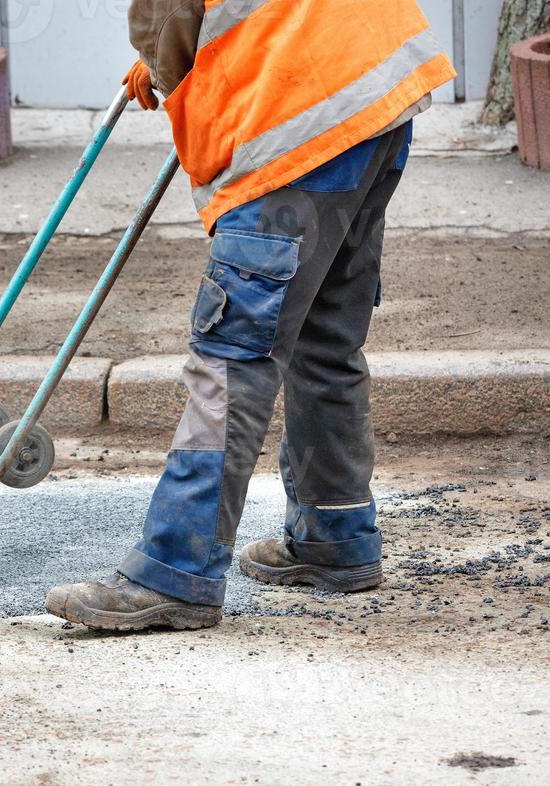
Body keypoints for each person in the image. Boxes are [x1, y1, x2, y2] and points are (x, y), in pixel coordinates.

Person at [46, 0, 457, 631]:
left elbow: (165, 17)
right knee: (325, 337)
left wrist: (159, 65)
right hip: (376, 90)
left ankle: (174, 572)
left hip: (295, 115)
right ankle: (334, 539)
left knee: (235, 356)